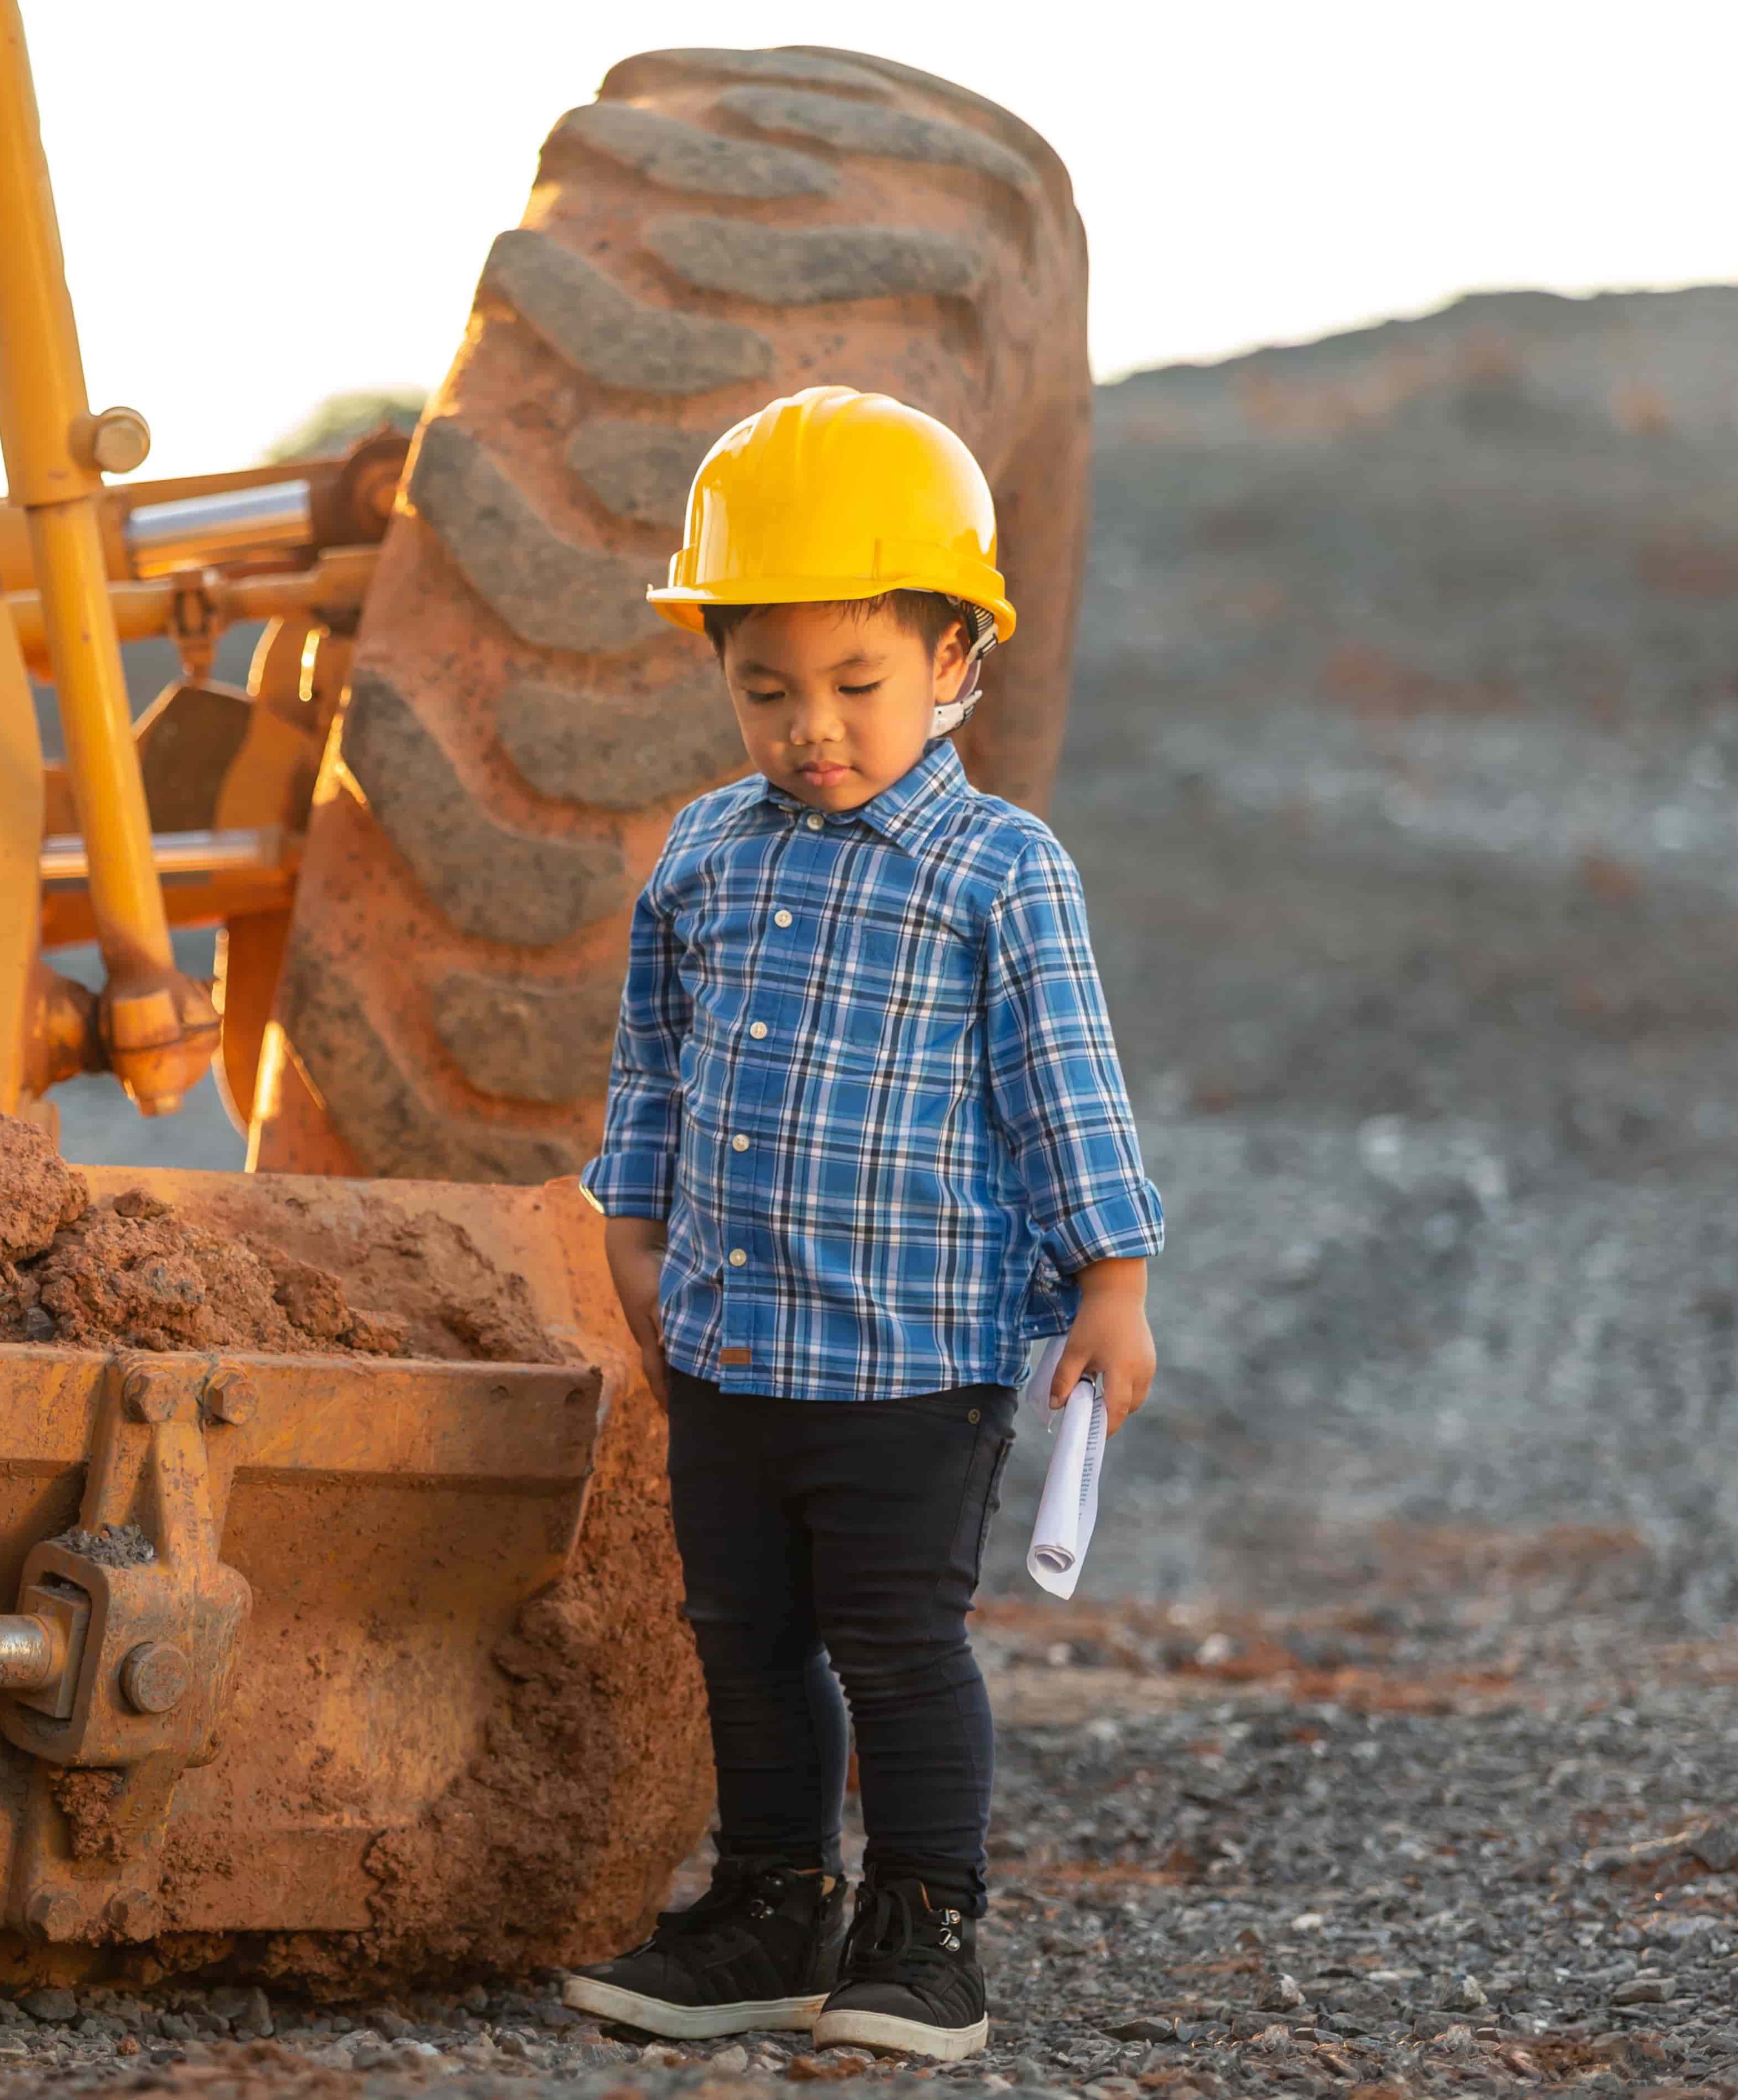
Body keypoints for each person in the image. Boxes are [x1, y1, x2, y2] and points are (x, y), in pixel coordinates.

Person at [560, 387, 1164, 2063]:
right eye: (767, 688)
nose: (811, 726)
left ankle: (922, 1931)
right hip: (734, 1335)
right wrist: (636, 1214)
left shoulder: (999, 869)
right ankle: (768, 1910)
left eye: (857, 685)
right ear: (723, 673)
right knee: (742, 1638)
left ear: (958, 658)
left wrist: (1111, 1281)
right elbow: (656, 1055)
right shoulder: (705, 852)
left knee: (896, 1645)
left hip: (913, 1357)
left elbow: (1066, 1082)